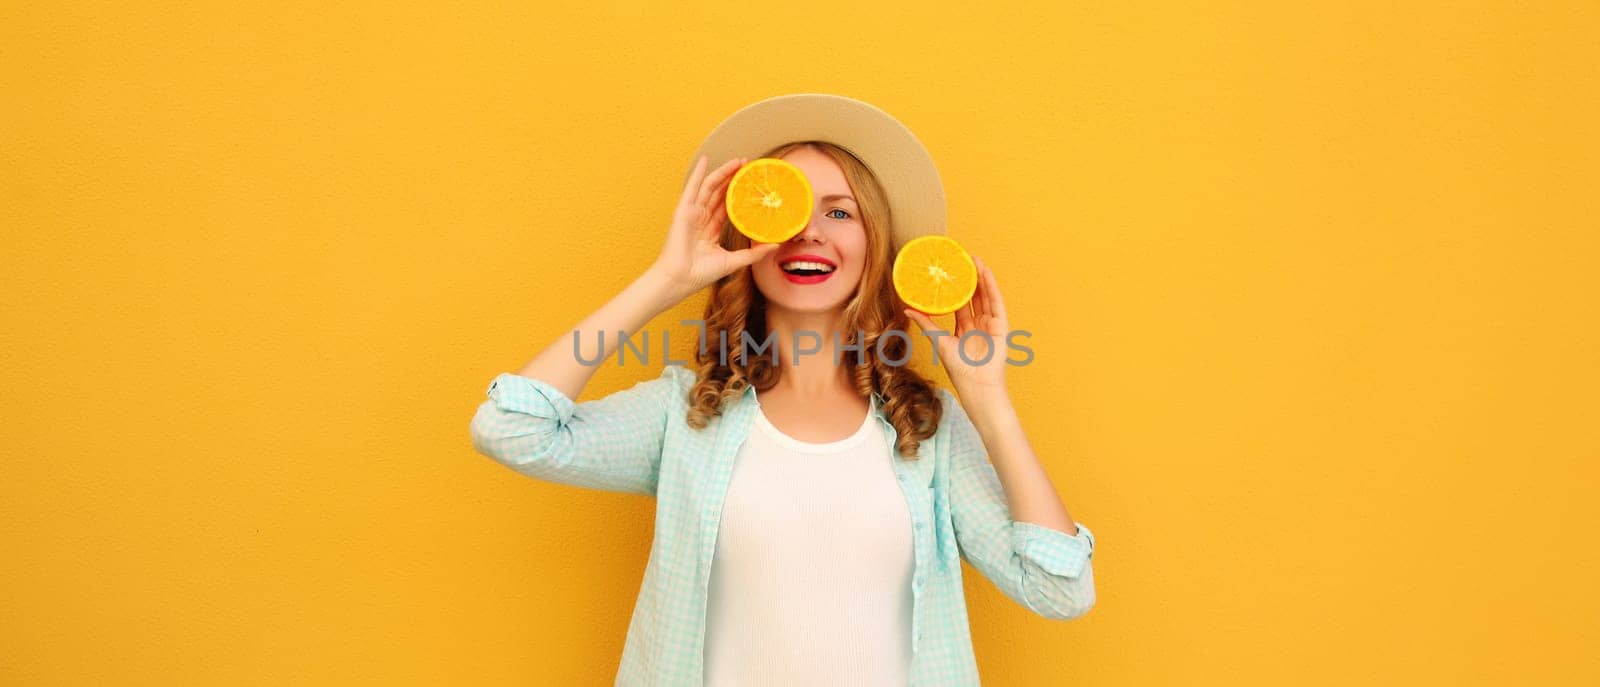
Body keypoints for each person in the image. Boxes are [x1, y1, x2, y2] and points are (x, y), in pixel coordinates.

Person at [470, 94, 1096, 686]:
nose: (810, 232)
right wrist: (666, 279)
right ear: (748, 238)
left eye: (839, 211)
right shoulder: (685, 414)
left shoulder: (926, 429)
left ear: (874, 244)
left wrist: (990, 406)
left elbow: (1059, 590)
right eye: (788, 208)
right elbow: (510, 429)